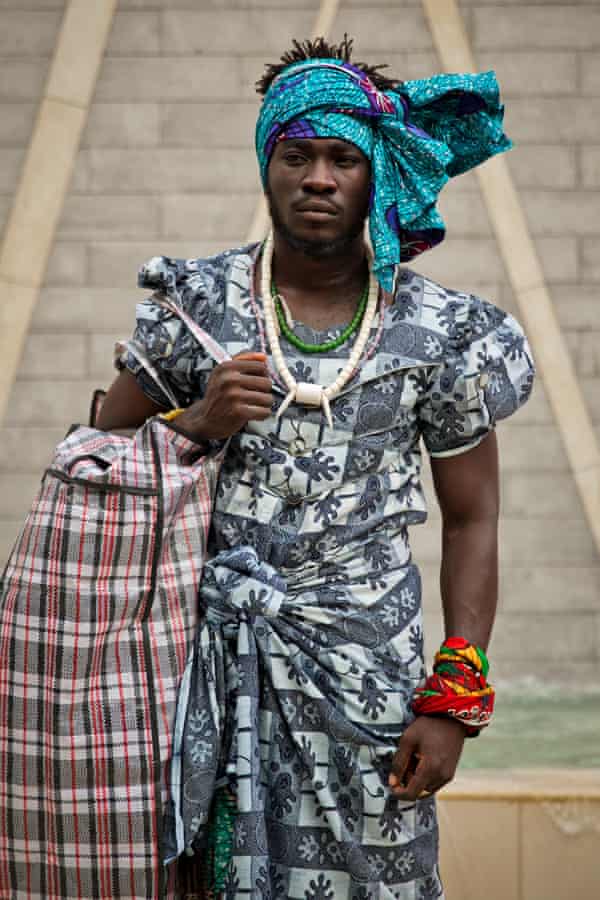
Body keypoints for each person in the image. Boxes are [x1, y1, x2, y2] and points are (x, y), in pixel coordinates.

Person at [97, 36, 535, 900]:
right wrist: (195, 420)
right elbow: (91, 462)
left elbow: (473, 518)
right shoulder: (200, 305)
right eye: (298, 155)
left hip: (368, 676)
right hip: (204, 673)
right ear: (268, 165)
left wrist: (452, 699)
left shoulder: (441, 333)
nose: (320, 178)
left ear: (374, 173)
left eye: (343, 157)